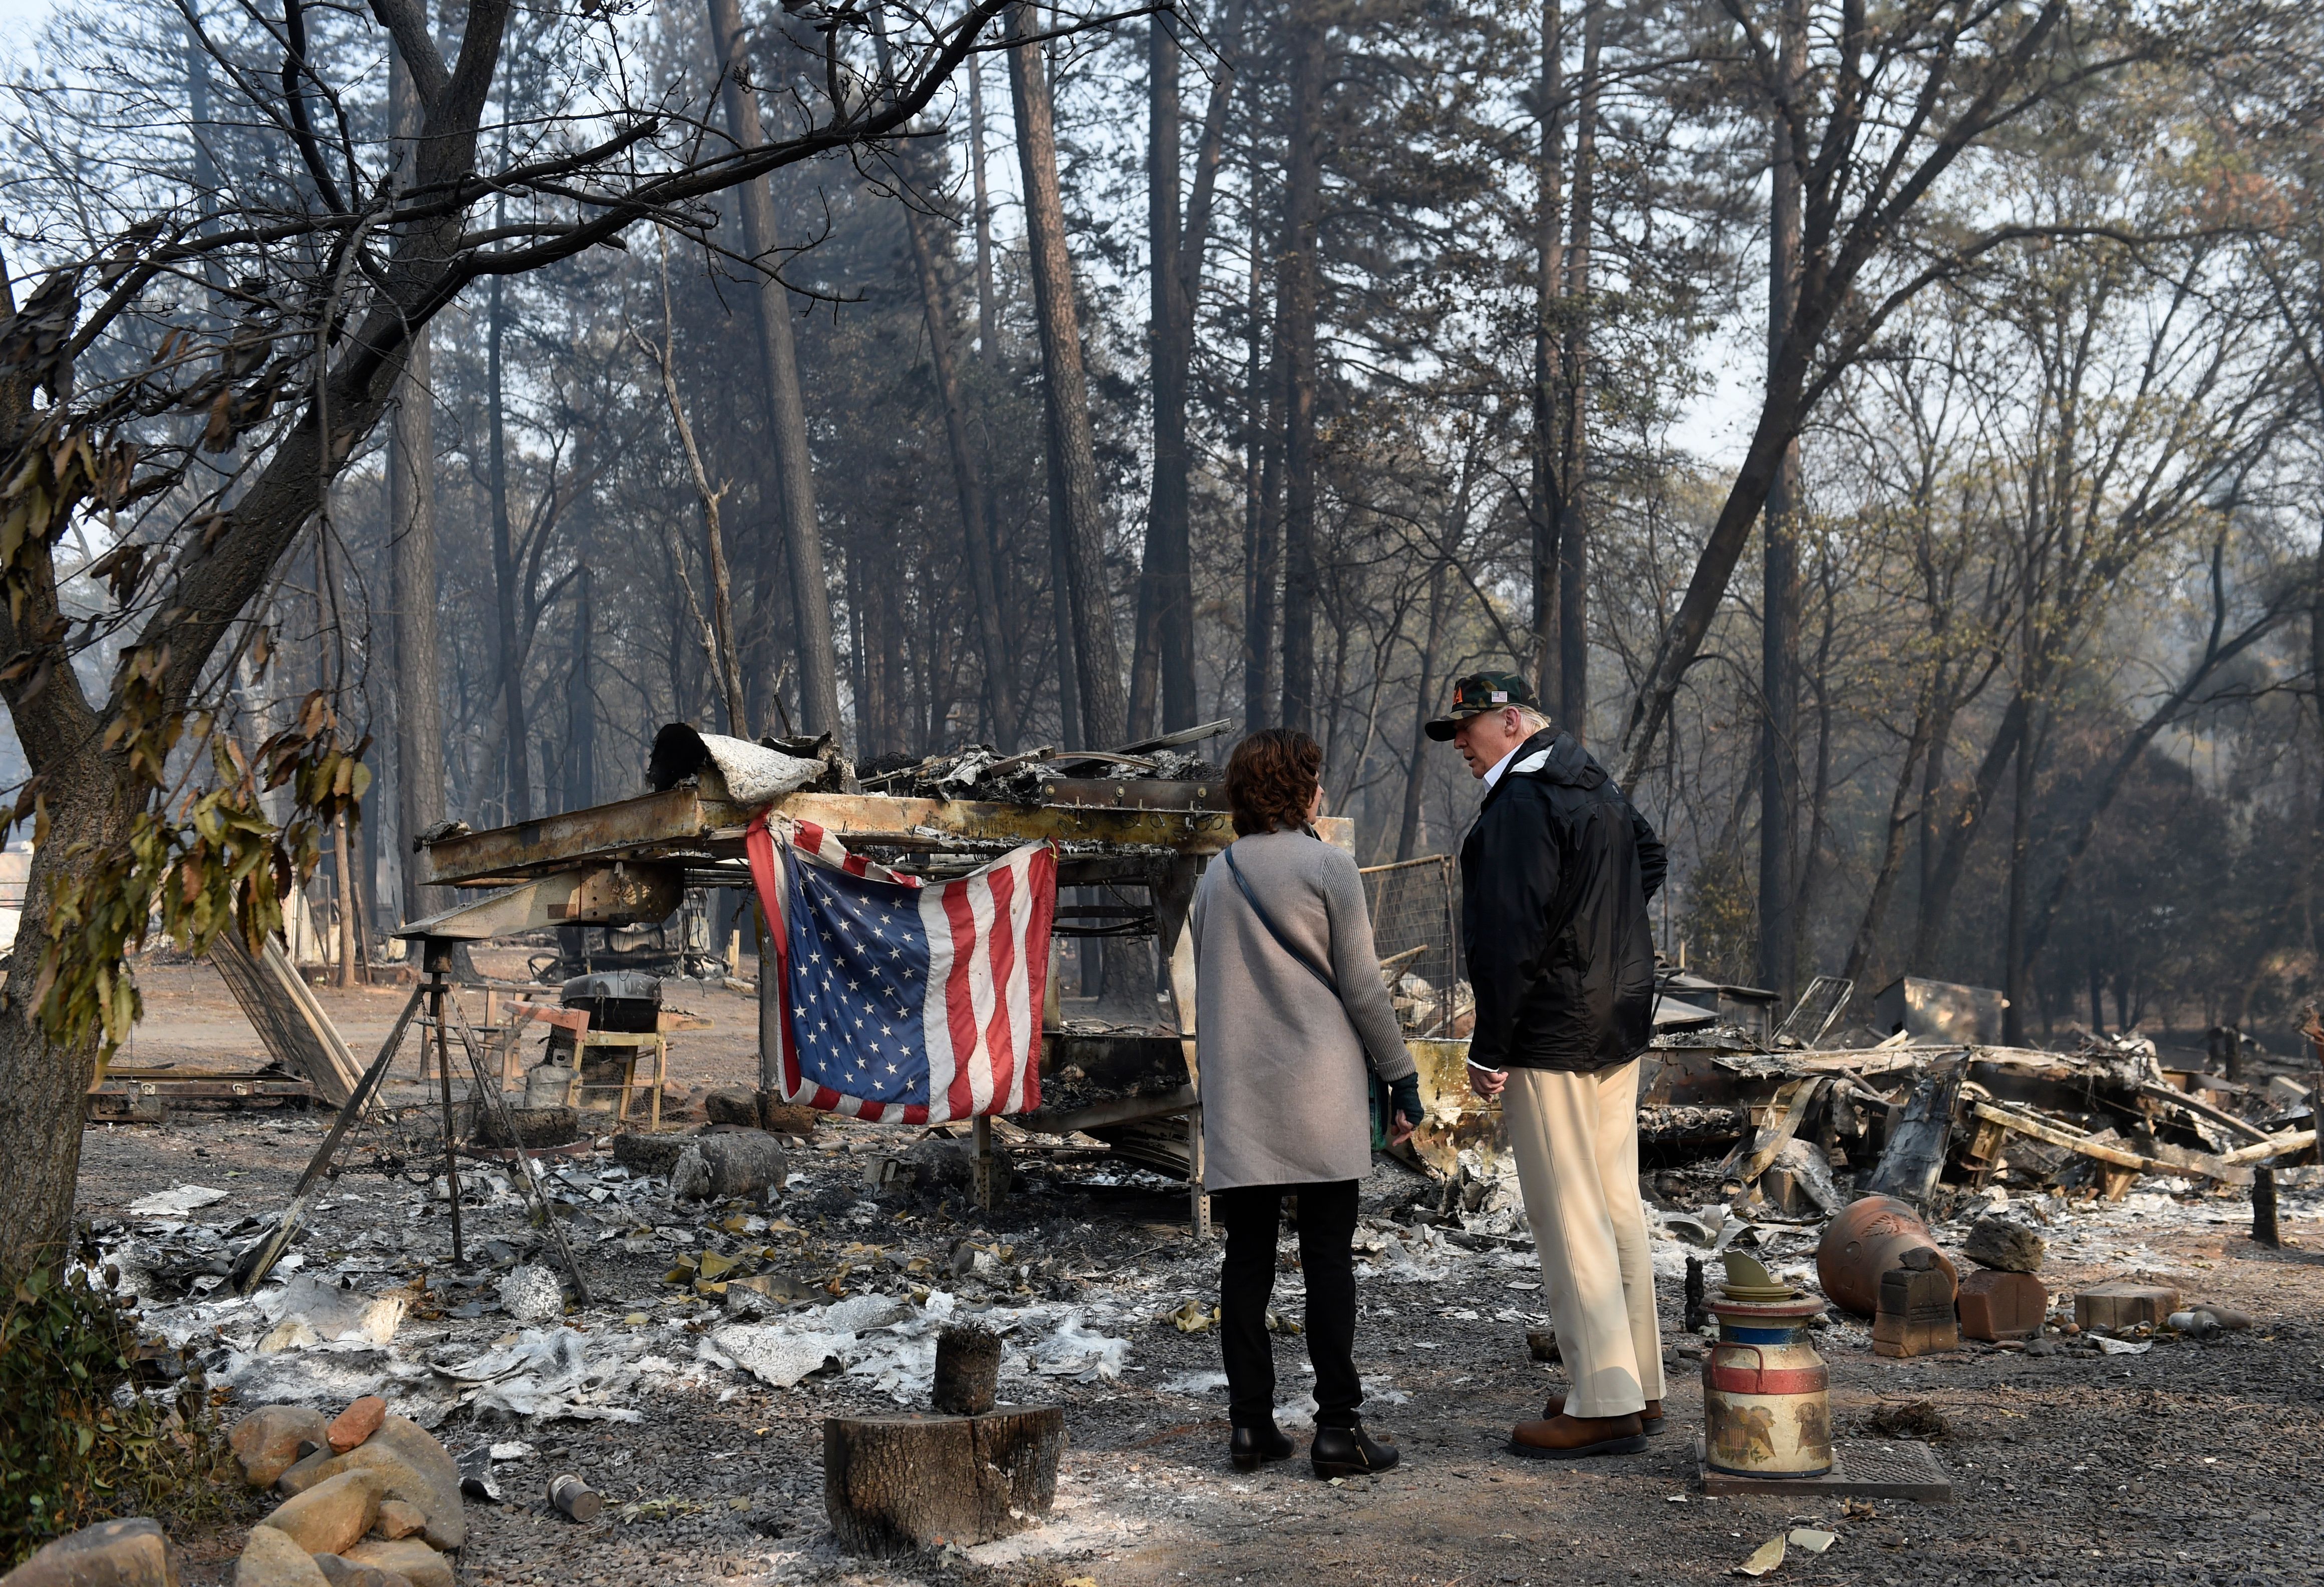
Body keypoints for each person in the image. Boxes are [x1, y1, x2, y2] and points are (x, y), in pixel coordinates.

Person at [1425, 672, 1668, 1460]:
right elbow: (1648, 858)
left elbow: (1507, 942)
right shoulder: (1587, 778)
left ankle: (1601, 1399)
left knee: (1568, 1215)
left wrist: (1490, 1047)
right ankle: (1636, 1384)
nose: (1460, 743)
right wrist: (1605, 941)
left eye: (1467, 728)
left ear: (1511, 720)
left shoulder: (1521, 805)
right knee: (1614, 1204)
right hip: (1616, 1016)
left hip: (1554, 1030)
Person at [1191, 727, 1425, 1478]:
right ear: (1300, 789)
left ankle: (1250, 1427)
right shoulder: (1330, 867)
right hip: (1320, 1092)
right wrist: (1400, 1074)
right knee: (1327, 1260)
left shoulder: (1215, 877)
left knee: (1246, 1262)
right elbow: (1360, 986)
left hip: (1241, 1099)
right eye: (1315, 778)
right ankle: (1336, 1431)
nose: (1322, 789)